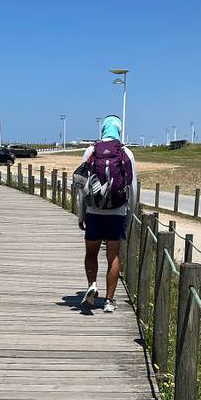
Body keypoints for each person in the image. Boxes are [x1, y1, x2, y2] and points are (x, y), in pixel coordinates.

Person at [73, 115, 137, 313]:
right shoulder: (126, 152)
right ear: (118, 130)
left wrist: (81, 215)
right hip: (117, 212)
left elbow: (81, 187)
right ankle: (109, 301)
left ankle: (92, 285)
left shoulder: (91, 151)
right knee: (113, 256)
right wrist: (129, 216)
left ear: (103, 130)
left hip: (94, 211)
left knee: (91, 253)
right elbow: (132, 189)